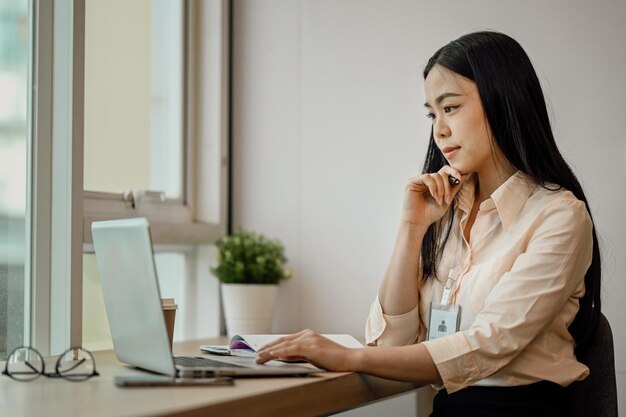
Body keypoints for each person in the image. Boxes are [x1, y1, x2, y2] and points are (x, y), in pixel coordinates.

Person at [256, 31, 601, 417]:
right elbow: (392, 345)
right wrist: (411, 227)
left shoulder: (559, 215)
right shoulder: (444, 208)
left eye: (450, 107)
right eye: (431, 114)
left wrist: (348, 357)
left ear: (502, 102)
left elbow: (488, 344)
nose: (438, 129)